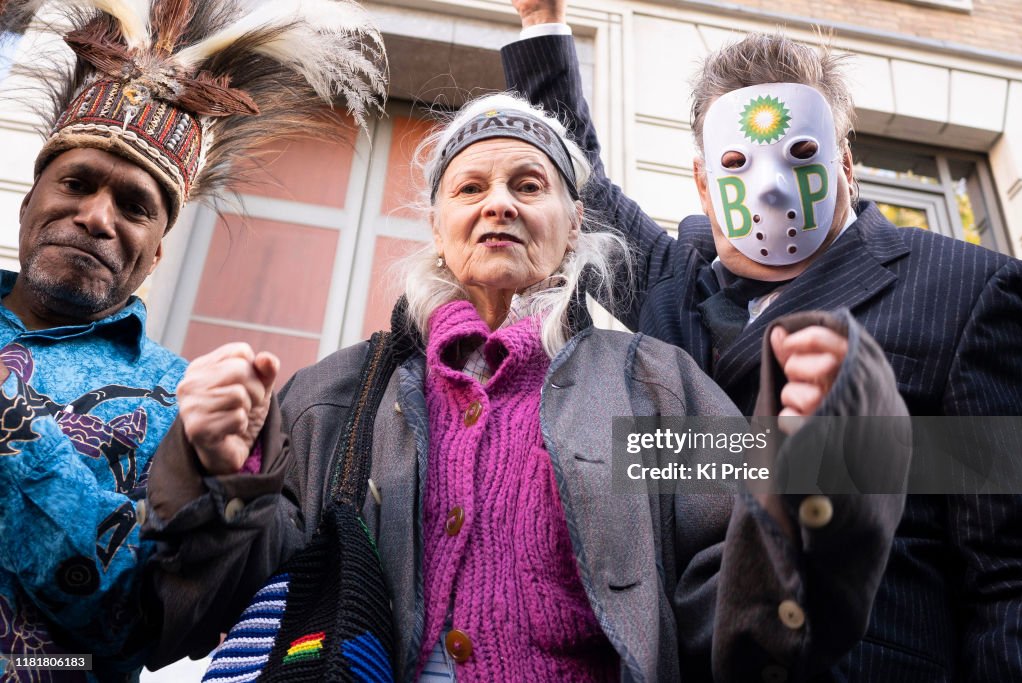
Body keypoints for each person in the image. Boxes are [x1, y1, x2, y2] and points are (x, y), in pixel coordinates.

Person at [144, 92, 910, 682]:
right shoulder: (339, 395)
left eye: (527, 183)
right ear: (438, 224)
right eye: (470, 187)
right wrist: (217, 468)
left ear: (573, 222)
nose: (498, 202)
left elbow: (735, 609)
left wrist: (822, 476)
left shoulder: (651, 385)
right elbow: (202, 606)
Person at [500, 1, 1022, 680]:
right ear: (702, 181)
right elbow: (576, 175)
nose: (772, 189)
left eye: (802, 153)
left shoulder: (966, 290)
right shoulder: (670, 286)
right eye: (736, 161)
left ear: (847, 162)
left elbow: (1007, 576)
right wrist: (542, 16)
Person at [0, 0, 385, 679]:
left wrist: (12, 422)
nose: (96, 217)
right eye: (77, 183)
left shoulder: (181, 408)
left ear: (155, 256)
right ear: (30, 204)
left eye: (133, 207)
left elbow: (133, 623)